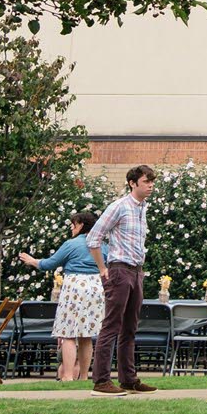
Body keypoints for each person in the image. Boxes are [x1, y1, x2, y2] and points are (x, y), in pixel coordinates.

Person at [87, 163, 159, 396]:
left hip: (137, 270)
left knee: (130, 327)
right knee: (112, 325)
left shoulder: (142, 208)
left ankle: (128, 378)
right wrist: (102, 268)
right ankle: (101, 381)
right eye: (146, 182)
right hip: (119, 269)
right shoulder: (119, 207)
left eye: (152, 182)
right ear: (132, 183)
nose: (150, 186)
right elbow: (93, 238)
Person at [19, 208, 103, 382]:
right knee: (86, 335)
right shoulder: (101, 245)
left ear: (81, 225)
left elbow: (51, 263)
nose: (72, 229)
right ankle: (84, 376)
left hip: (74, 286)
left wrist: (33, 261)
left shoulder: (71, 244)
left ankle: (67, 376)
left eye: (73, 225)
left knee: (68, 334)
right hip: (95, 287)